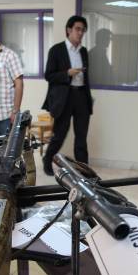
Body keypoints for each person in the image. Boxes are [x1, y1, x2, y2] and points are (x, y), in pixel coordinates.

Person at [42, 16, 93, 176]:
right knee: (60, 134)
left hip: (81, 97)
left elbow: (86, 76)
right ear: (69, 30)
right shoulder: (56, 50)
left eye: (83, 30)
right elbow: (49, 75)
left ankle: (83, 169)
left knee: (81, 137)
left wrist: (88, 97)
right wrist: (67, 73)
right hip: (64, 98)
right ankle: (47, 160)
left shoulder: (83, 51)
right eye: (78, 29)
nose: (80, 33)